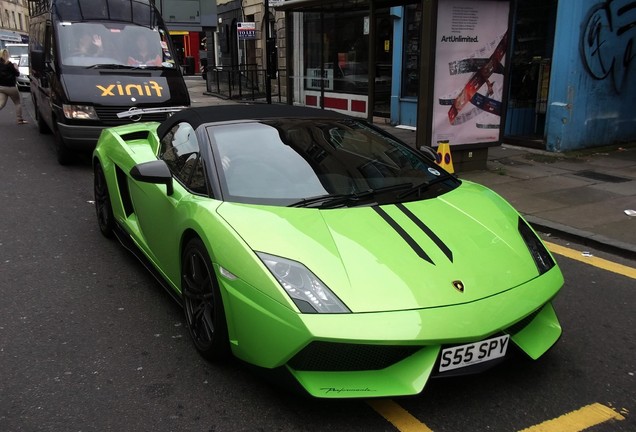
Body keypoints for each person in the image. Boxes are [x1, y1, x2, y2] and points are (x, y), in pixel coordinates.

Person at [0, 49, 27, 125]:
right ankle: (20, 119)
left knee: (1, 104)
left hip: (1, 87)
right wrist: (16, 68)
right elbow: (17, 74)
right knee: (17, 103)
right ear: (7, 55)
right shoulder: (10, 65)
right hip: (11, 87)